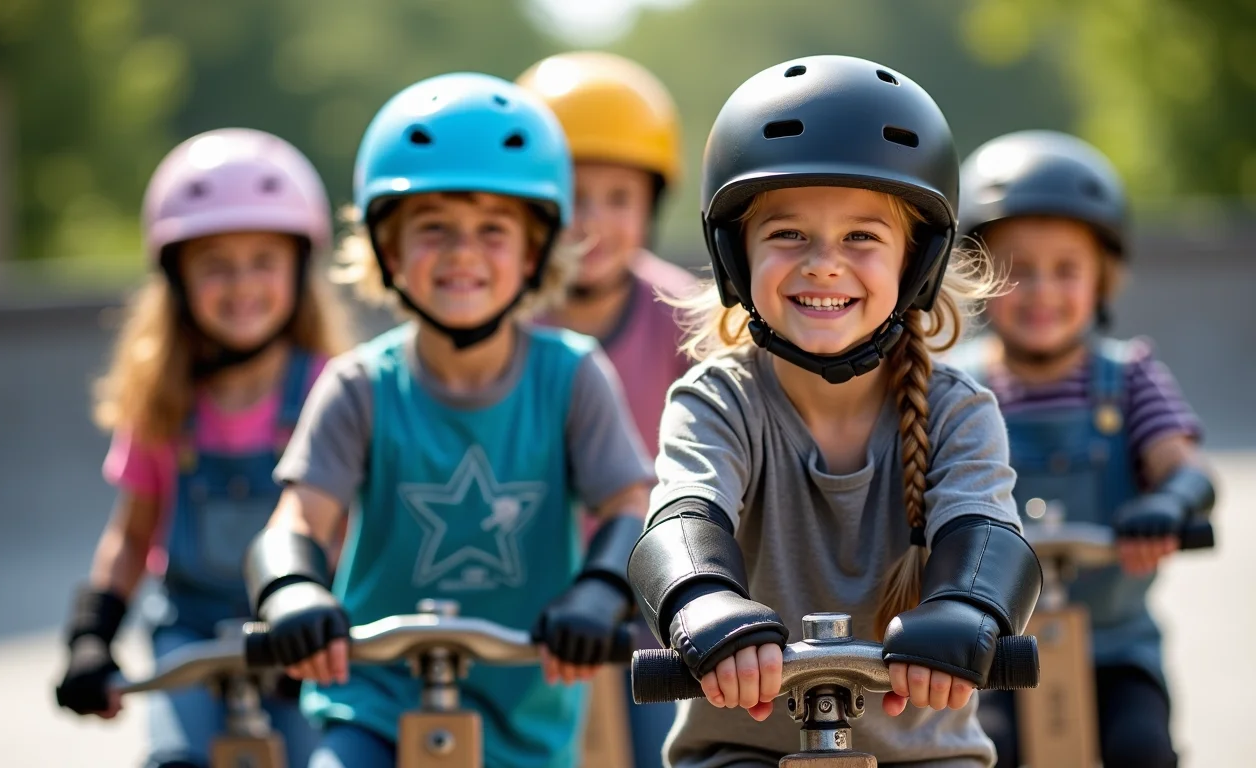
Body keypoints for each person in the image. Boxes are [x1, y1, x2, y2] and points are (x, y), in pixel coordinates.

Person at [626, 55, 1043, 767]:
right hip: (738, 750)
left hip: (926, 756)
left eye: (861, 237)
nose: (823, 262)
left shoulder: (958, 410)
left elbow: (985, 532)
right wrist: (702, 604)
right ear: (735, 255)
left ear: (916, 262)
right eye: (788, 233)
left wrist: (964, 610)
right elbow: (685, 516)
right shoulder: (716, 400)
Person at [240, 73, 655, 768]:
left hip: (527, 712)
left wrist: (598, 592)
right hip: (375, 698)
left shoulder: (572, 376)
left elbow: (629, 504)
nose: (463, 253)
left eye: (493, 230)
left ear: (534, 252)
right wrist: (292, 589)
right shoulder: (361, 385)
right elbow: (298, 518)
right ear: (389, 250)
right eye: (433, 229)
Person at [53, 128, 351, 768]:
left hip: (305, 631)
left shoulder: (332, 390)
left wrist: (330, 616)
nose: (241, 284)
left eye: (263, 260)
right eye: (215, 264)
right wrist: (91, 633)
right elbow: (133, 534)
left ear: (300, 269)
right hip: (191, 633)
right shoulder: (164, 401)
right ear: (177, 277)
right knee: (177, 758)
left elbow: (351, 530)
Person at [951, 130, 1215, 768]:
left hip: (1114, 647)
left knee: (1141, 747)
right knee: (985, 750)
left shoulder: (1130, 378)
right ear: (979, 276)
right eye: (1018, 271)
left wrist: (1168, 505)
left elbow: (1188, 470)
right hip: (995, 648)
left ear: (1102, 280)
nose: (1041, 291)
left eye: (1066, 270)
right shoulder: (958, 386)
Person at [516, 50, 693, 768]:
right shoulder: (503, 324)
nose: (592, 223)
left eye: (618, 199)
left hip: (658, 600)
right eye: (572, 198)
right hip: (530, 603)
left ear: (650, 208)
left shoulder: (687, 317)